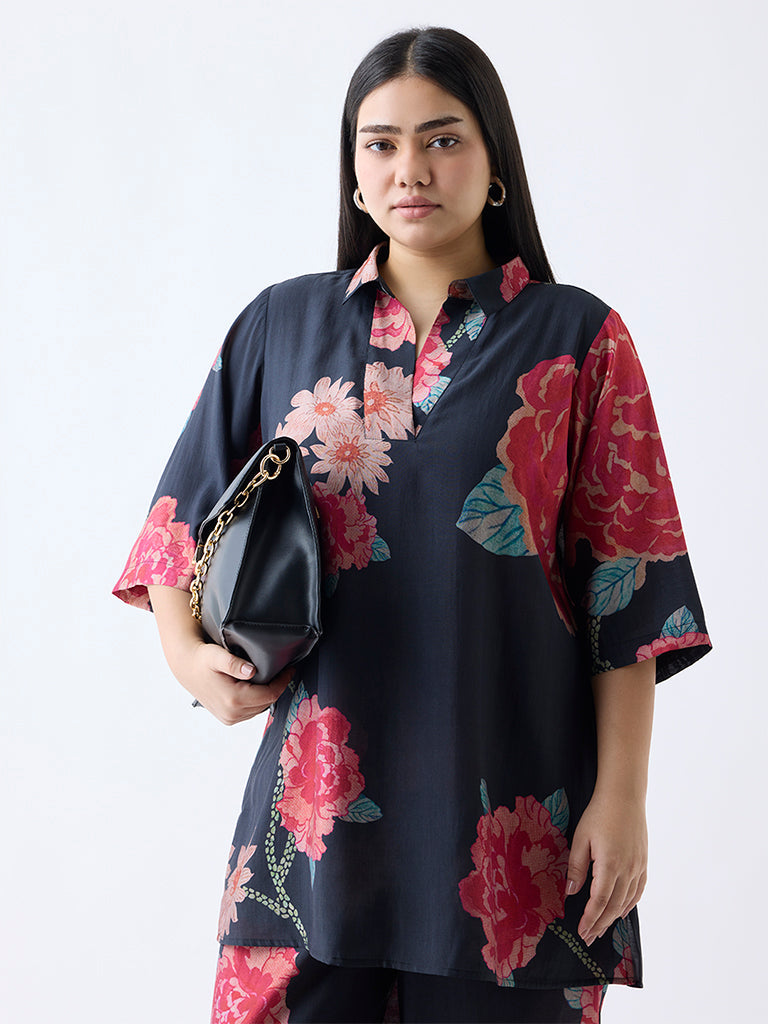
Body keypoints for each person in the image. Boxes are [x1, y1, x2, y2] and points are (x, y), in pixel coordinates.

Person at [113, 26, 711, 1024]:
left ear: (495, 161)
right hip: (311, 833)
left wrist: (624, 798)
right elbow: (176, 525)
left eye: (442, 139)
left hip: (516, 831)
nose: (410, 169)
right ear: (354, 174)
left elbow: (629, 586)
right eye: (380, 144)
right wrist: (187, 657)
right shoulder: (280, 325)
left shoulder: (580, 340)